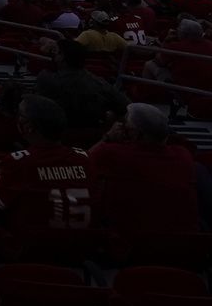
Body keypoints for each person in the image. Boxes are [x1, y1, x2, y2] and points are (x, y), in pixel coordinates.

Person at [0, 99, 98, 254]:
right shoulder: (85, 157)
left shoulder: (19, 161)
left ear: (29, 127)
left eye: (20, 116)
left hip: (30, 247)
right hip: (79, 245)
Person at [86, 103, 205, 243]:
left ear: (135, 133)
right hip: (182, 246)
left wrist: (107, 137)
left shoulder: (111, 153)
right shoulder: (183, 155)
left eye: (126, 126)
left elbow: (81, 162)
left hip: (132, 247)